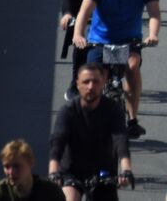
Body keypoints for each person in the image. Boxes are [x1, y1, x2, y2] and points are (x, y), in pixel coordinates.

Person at [71, 0, 160, 139]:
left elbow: (154, 13)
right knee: (93, 78)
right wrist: (78, 35)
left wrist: (153, 34)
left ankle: (132, 119)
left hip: (129, 41)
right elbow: (84, 11)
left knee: (132, 66)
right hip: (100, 41)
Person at [48, 63, 134, 200]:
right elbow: (58, 142)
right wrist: (53, 172)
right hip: (71, 172)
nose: (91, 86)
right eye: (86, 82)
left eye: (95, 82)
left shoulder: (112, 109)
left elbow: (121, 140)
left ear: (103, 82)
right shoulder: (68, 111)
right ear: (77, 84)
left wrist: (126, 169)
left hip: (102, 172)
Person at [0, 139, 66, 201]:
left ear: (31, 163)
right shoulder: (0, 192)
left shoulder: (51, 192)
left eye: (16, 166)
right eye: (6, 167)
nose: (11, 172)